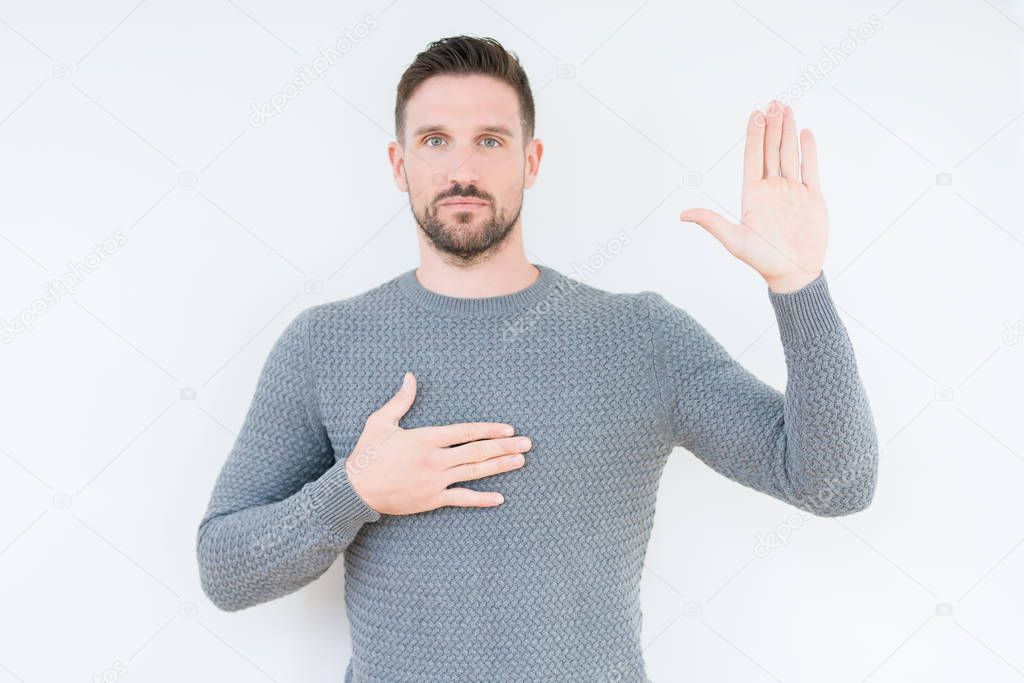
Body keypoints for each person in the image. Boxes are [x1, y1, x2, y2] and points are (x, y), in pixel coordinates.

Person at [196, 34, 879, 682]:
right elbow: (225, 571)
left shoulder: (641, 337)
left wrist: (799, 285)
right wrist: (355, 492)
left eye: (490, 141)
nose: (462, 169)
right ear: (400, 164)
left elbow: (833, 484)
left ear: (532, 160)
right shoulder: (325, 343)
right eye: (436, 140)